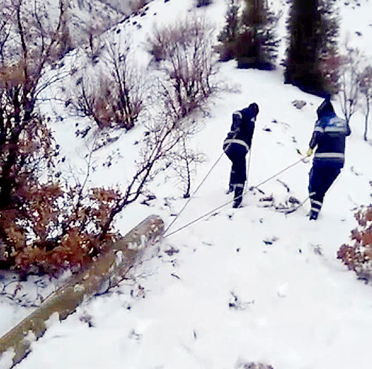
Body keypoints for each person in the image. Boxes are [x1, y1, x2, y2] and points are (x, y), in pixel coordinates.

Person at [306, 95, 351, 220]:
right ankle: (314, 212)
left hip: (322, 160)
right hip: (338, 162)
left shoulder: (322, 121)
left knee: (313, 184)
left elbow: (316, 136)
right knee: (322, 189)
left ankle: (313, 213)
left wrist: (310, 148)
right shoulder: (342, 122)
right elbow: (348, 132)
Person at [223, 102, 259, 208]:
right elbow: (236, 114)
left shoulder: (248, 118)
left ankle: (231, 188)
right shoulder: (248, 113)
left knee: (236, 165)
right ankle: (237, 199)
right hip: (238, 144)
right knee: (241, 173)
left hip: (228, 145)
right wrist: (236, 128)